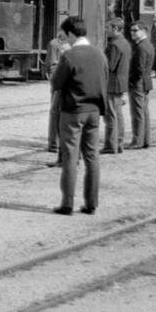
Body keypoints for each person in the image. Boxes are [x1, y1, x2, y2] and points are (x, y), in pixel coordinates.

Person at [49, 17, 107, 215]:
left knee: (70, 158)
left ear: (72, 34)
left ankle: (67, 204)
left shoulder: (69, 55)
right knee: (92, 157)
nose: (64, 39)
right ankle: (91, 203)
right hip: (94, 111)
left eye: (65, 35)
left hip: (73, 111)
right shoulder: (100, 54)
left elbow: (56, 83)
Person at [102, 18, 132, 154]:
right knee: (118, 115)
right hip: (120, 83)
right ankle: (119, 143)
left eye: (107, 28)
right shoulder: (125, 43)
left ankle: (110, 145)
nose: (105, 30)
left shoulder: (114, 45)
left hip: (112, 84)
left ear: (115, 29)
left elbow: (109, 66)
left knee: (111, 116)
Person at [126, 21, 155, 149]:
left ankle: (137, 141)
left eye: (135, 30)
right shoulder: (148, 45)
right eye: (131, 30)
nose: (132, 33)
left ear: (143, 31)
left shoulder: (141, 47)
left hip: (138, 82)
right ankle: (145, 140)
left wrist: (130, 80)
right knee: (144, 112)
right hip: (146, 82)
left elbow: (138, 68)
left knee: (137, 112)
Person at [44, 32, 71, 158]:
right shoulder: (75, 43)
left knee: (55, 112)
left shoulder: (54, 43)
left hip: (59, 80)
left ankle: (54, 143)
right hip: (69, 82)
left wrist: (50, 75)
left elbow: (51, 63)